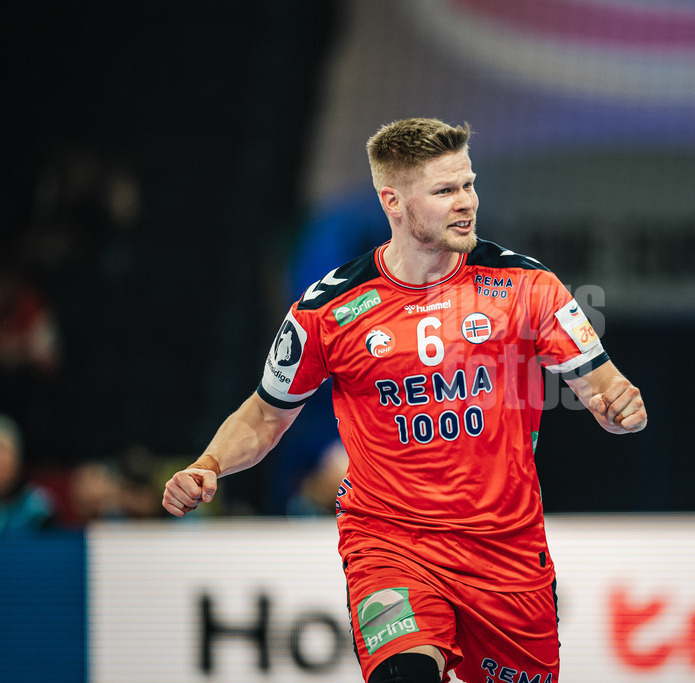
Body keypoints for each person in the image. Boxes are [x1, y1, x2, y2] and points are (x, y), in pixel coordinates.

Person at [162, 118, 648, 683]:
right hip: (391, 543)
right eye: (445, 191)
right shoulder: (328, 309)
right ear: (393, 201)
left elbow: (604, 386)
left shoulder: (526, 285)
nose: (466, 202)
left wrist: (620, 409)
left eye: (468, 184)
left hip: (506, 553)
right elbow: (265, 413)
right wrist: (209, 463)